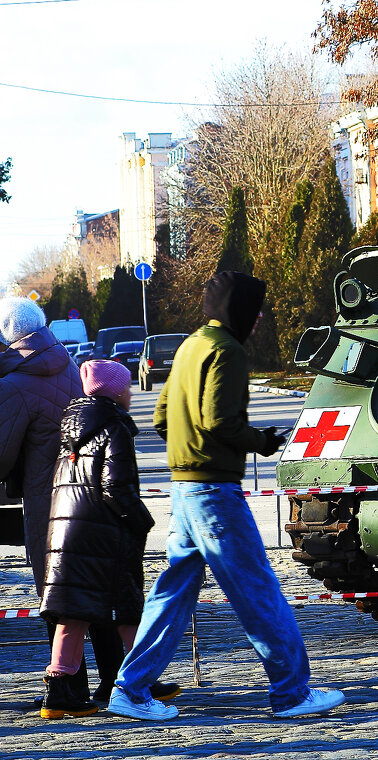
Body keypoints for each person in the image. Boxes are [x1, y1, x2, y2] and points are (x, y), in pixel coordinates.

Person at [109, 271, 345, 720]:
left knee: (171, 594)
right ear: (238, 310)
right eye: (254, 310)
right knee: (258, 589)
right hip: (215, 492)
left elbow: (162, 418)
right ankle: (292, 692)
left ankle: (130, 688)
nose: (257, 319)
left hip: (184, 489)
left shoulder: (190, 345)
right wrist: (260, 441)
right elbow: (219, 421)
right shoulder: (227, 352)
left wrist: (188, 450)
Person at [0, 298, 128, 707]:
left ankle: (66, 689)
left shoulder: (13, 385)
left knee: (56, 595)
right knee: (93, 587)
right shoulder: (71, 368)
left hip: (46, 502)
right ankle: (114, 680)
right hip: (87, 496)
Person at [39, 360, 157, 719]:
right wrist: (141, 521)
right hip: (103, 535)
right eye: (127, 387)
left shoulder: (73, 426)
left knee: (74, 613)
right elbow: (115, 487)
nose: (131, 392)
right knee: (128, 606)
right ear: (116, 391)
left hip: (70, 533)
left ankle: (58, 691)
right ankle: (139, 680)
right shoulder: (114, 427)